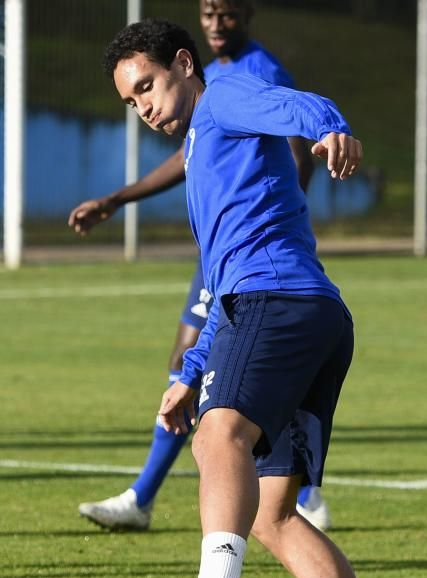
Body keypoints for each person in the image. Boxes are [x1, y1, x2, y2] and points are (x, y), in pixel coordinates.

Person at [103, 18, 414, 578]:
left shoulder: (223, 97)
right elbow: (221, 276)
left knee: (218, 438)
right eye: (131, 102)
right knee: (272, 514)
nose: (144, 108)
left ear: (184, 63)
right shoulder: (206, 147)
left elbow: (293, 104)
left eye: (148, 87)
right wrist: (190, 372)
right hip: (312, 316)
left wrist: (329, 125)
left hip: (275, 304)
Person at [69, 0, 331, 533]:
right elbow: (187, 156)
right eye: (207, 14)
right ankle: (272, 485)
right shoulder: (199, 107)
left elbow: (297, 128)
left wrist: (281, 217)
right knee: (193, 360)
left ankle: (285, 491)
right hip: (225, 253)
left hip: (257, 254)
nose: (216, 24)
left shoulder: (246, 78)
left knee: (219, 419)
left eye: (225, 14)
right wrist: (118, 199)